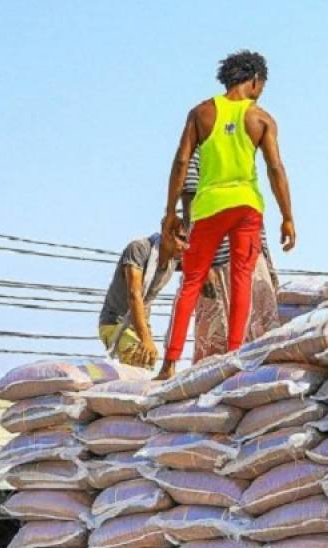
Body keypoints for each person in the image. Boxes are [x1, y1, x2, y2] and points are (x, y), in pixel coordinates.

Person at [157, 49, 296, 380]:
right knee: (241, 280)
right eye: (262, 84)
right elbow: (275, 169)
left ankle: (169, 364)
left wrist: (169, 212)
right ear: (254, 81)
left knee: (190, 282)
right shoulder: (261, 119)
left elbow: (180, 161)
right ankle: (234, 355)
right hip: (247, 206)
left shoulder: (201, 113)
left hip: (208, 207)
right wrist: (287, 216)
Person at [181, 148, 280, 362]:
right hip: (218, 264)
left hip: (252, 261)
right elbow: (190, 214)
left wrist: (269, 266)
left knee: (261, 343)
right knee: (218, 346)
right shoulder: (197, 156)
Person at [98, 229, 187, 369]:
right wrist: (145, 339)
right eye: (181, 238)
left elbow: (200, 265)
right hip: (116, 324)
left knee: (147, 364)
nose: (186, 245)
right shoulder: (139, 249)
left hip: (141, 326)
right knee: (140, 359)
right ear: (167, 233)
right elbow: (134, 295)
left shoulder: (174, 260)